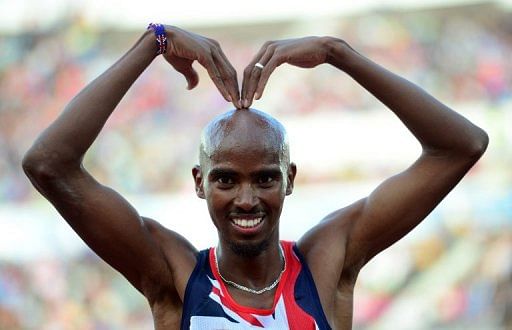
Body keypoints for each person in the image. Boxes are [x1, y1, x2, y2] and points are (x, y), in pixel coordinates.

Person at [22, 23, 488, 329]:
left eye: (264, 179)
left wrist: (338, 53)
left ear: (290, 178)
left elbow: (461, 147)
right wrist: (153, 43)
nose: (247, 199)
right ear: (199, 181)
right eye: (226, 179)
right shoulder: (176, 276)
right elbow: (49, 164)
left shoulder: (327, 262)